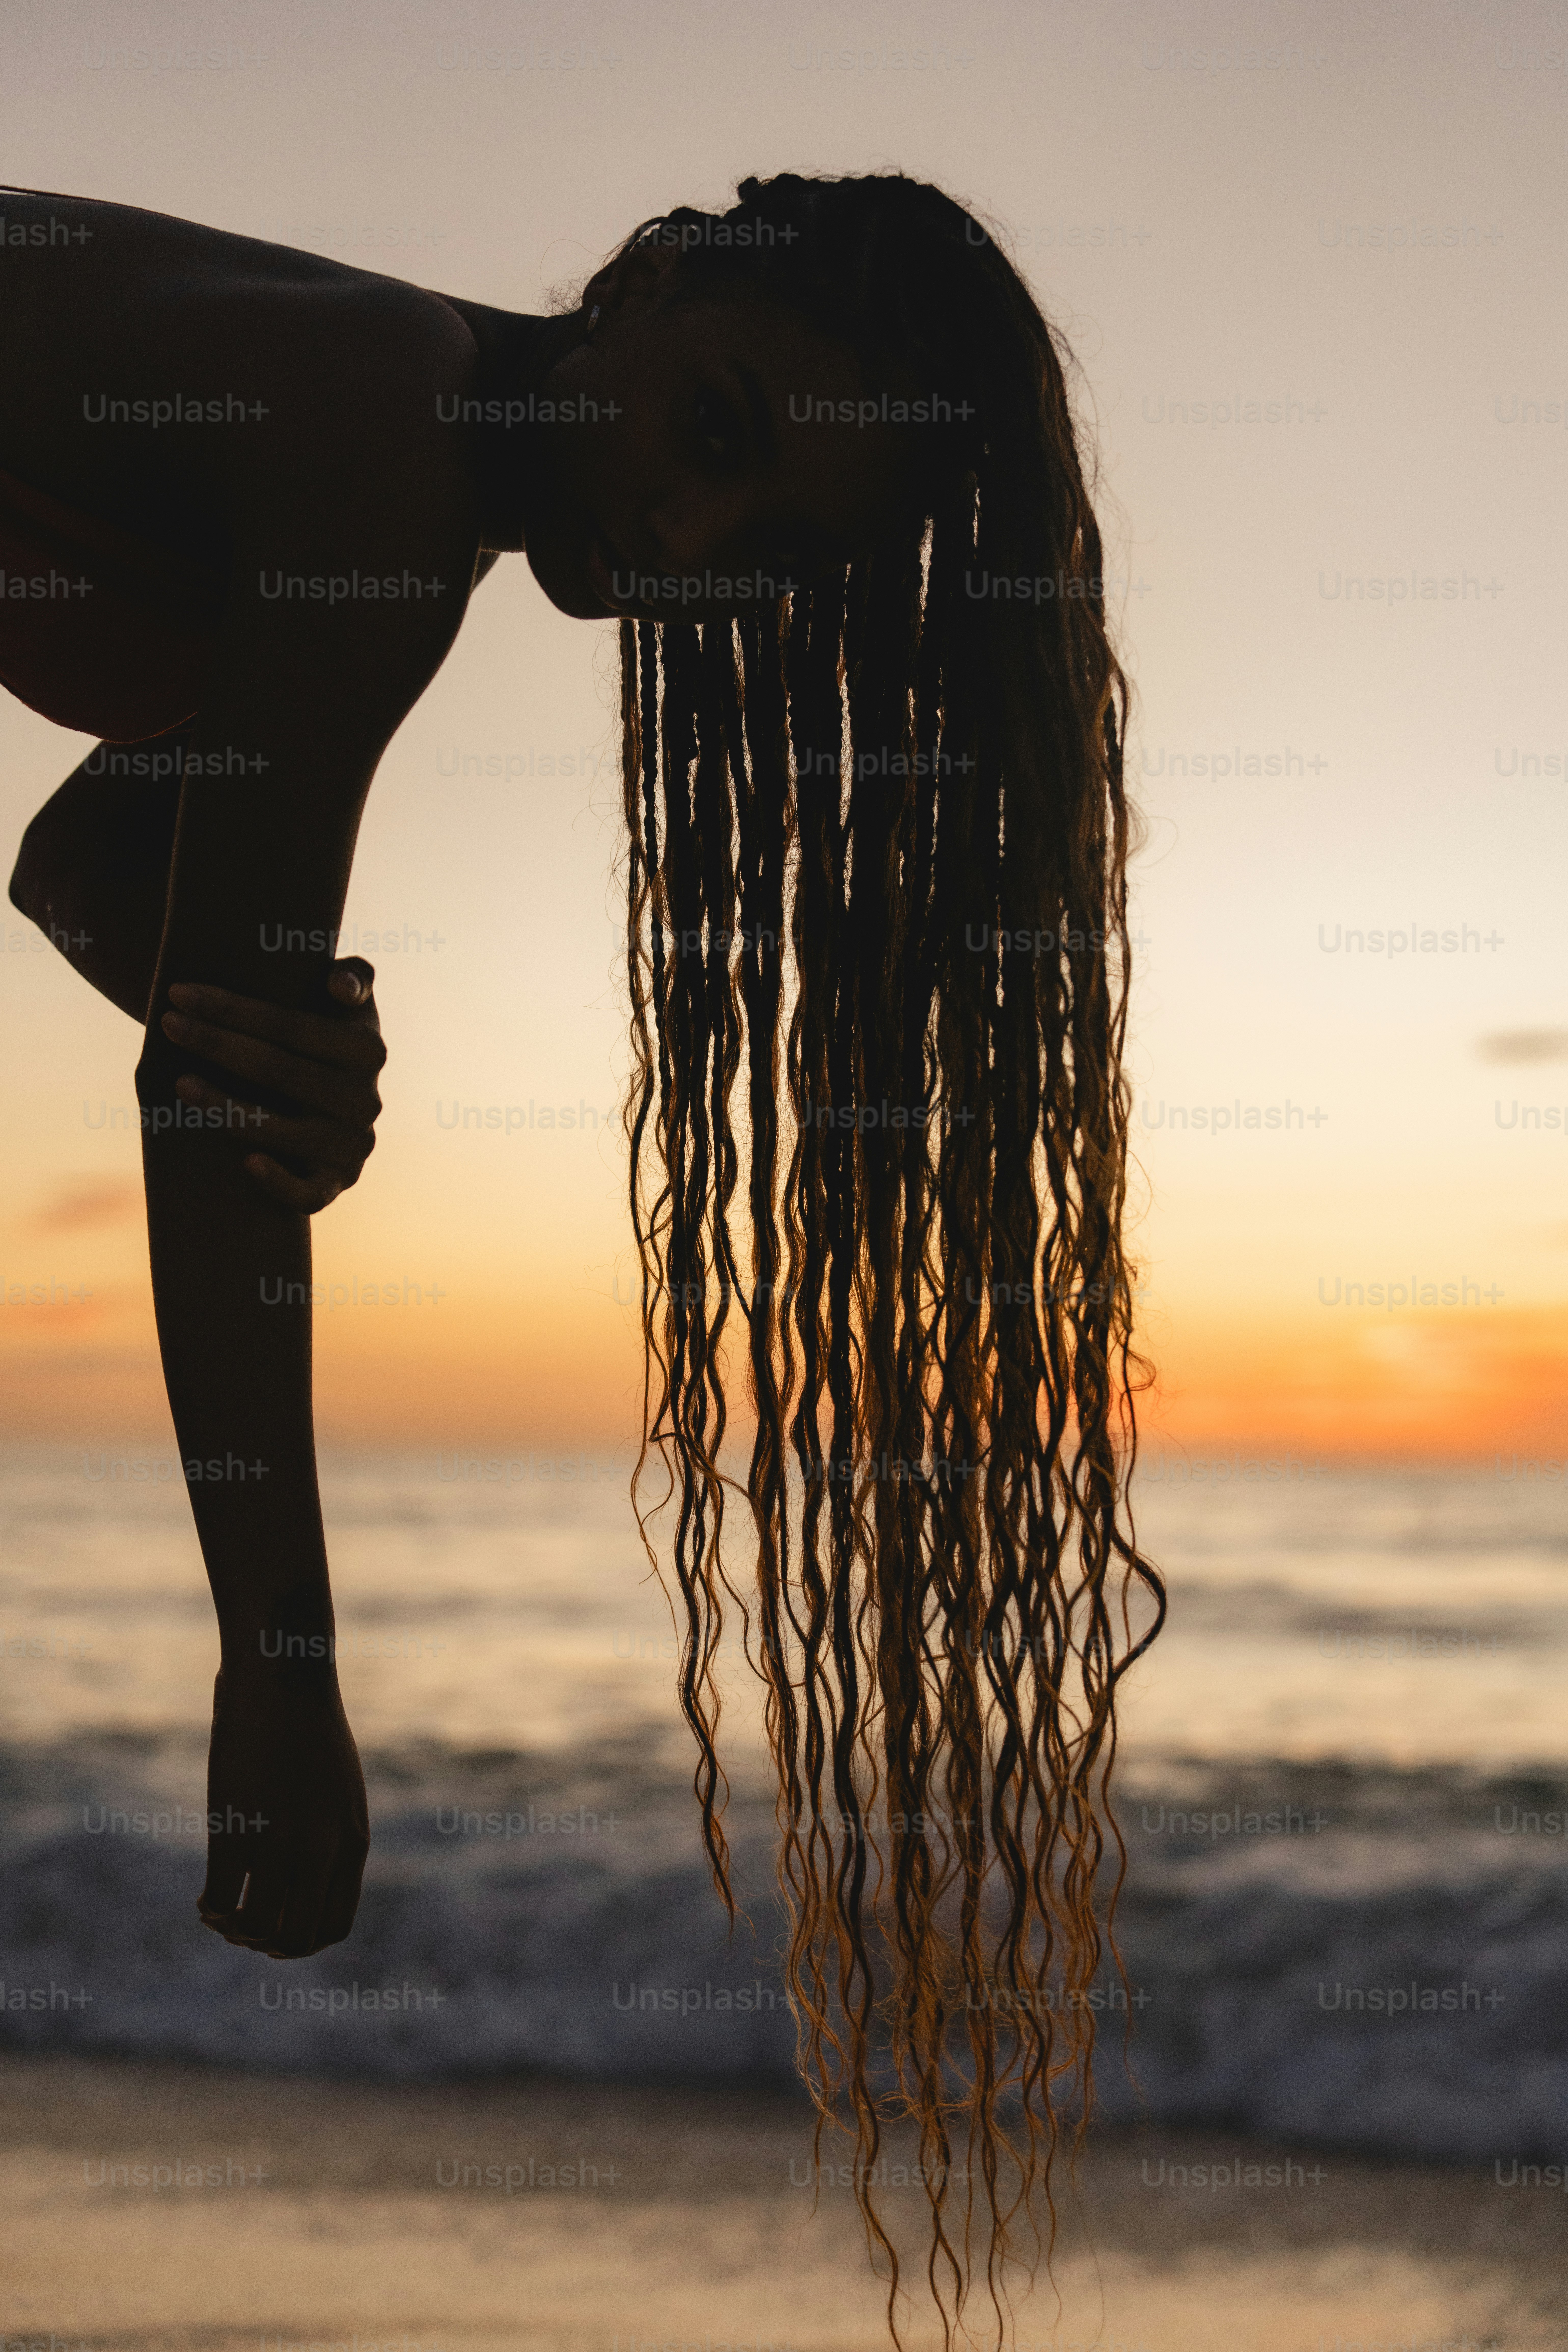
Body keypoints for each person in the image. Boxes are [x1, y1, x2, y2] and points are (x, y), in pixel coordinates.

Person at [5, 169, 1163, 2334]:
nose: (689, 551)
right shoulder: (381, 423)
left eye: (778, 556)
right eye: (715, 434)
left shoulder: (400, 471)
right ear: (639, 282)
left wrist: (265, 1037)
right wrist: (278, 1677)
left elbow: (82, 871)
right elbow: (202, 1122)